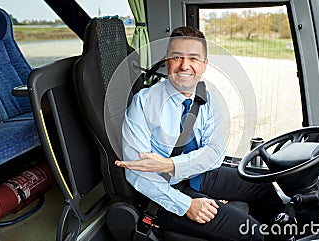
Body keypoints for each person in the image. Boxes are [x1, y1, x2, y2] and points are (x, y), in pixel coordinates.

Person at [115, 26, 280, 241]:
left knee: (264, 186)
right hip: (163, 190)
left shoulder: (207, 99)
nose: (185, 66)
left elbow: (215, 152)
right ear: (167, 61)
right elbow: (139, 173)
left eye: (193, 58)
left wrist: (173, 165)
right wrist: (187, 205)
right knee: (250, 231)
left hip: (197, 176)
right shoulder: (143, 103)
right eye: (177, 57)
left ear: (204, 65)